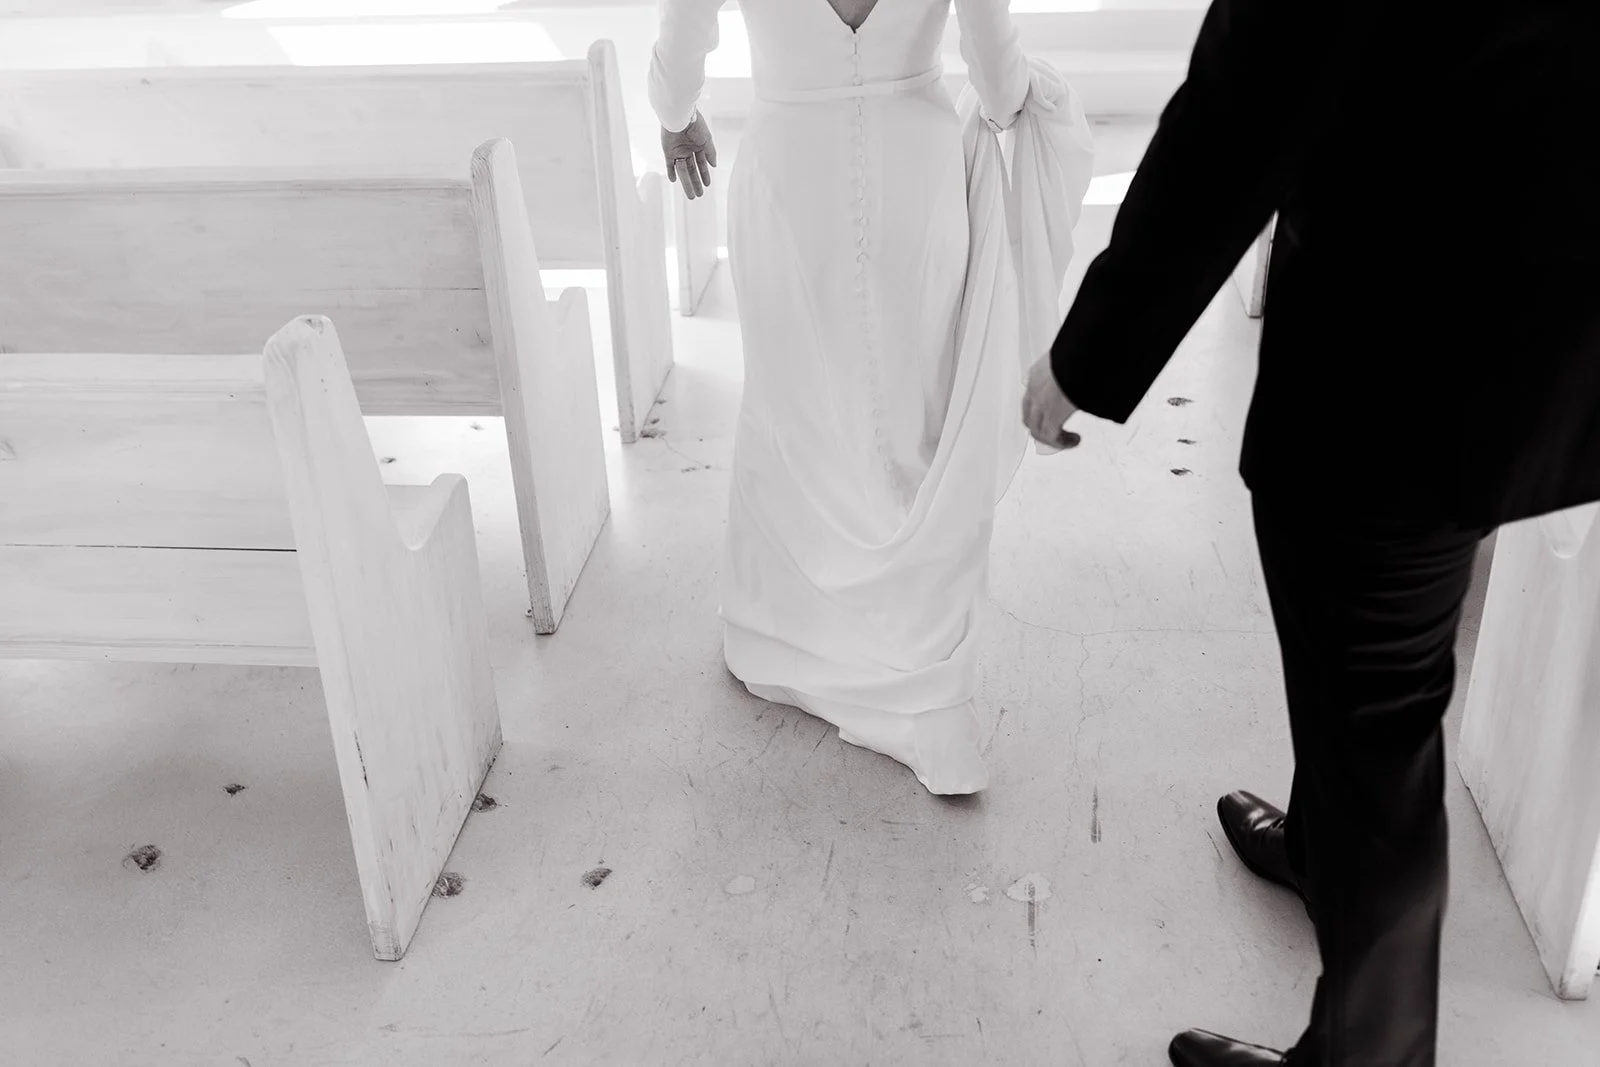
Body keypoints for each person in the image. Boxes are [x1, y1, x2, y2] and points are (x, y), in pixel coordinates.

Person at [1022, 0, 1600, 1062]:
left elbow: (1241, 112)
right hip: (1546, 324)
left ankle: (1367, 1045)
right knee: (1365, 679)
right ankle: (1329, 850)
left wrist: (1085, 356)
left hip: (1408, 354)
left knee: (1376, 709)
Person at [649, 0, 1091, 795]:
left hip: (789, 181)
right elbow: (997, 85)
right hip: (915, 180)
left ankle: (790, 638)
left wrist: (676, 117)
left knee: (797, 413)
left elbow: (680, 59)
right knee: (912, 423)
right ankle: (914, 661)